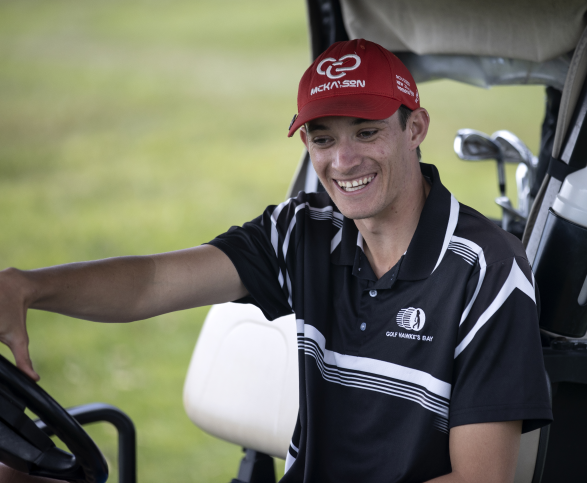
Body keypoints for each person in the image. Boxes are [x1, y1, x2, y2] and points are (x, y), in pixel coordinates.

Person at [0, 39, 551, 483]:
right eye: (321, 137)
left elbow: (481, 478)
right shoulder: (302, 230)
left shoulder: (487, 271)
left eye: (366, 132)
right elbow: (151, 283)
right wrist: (27, 287)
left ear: (415, 128)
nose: (342, 161)